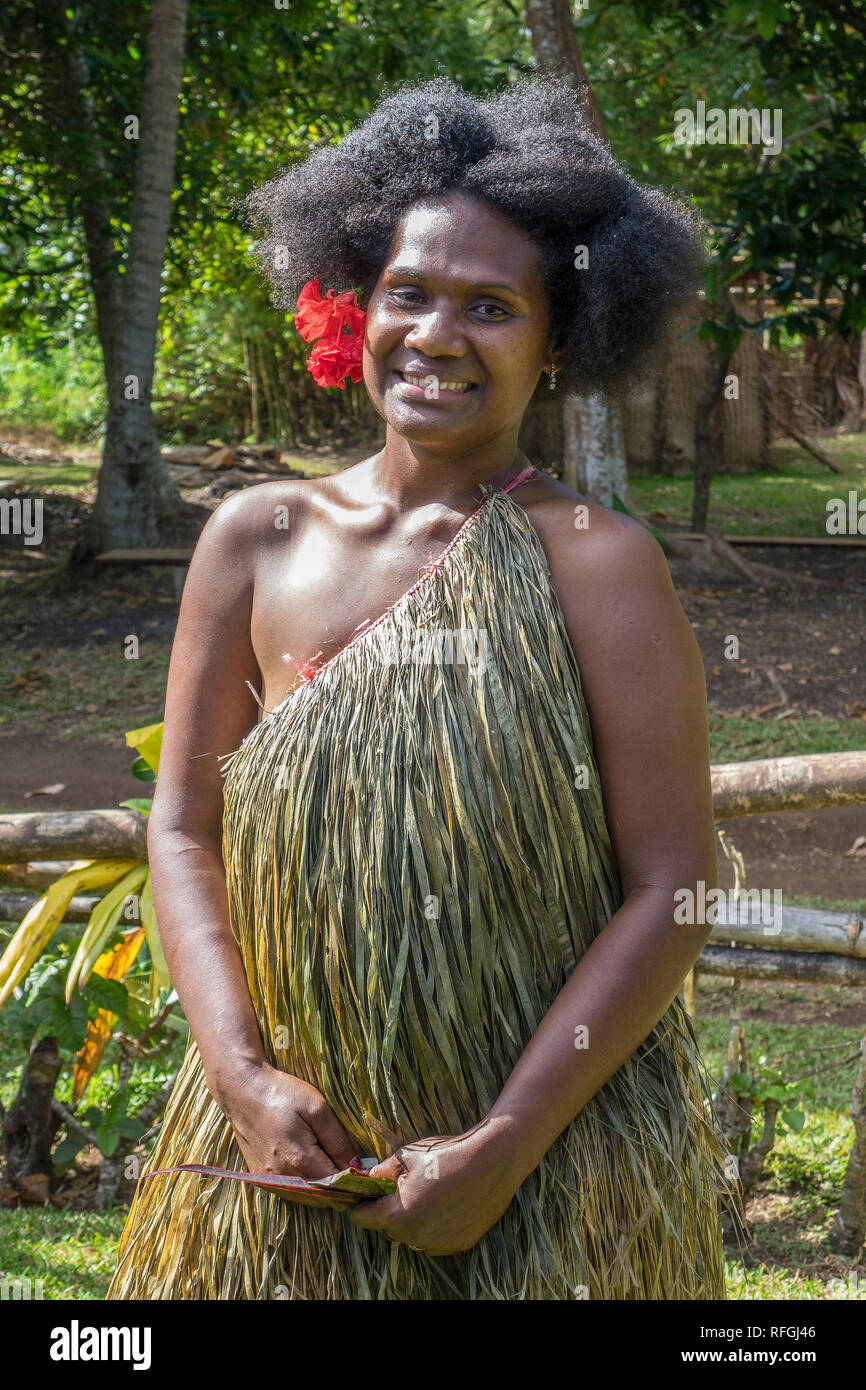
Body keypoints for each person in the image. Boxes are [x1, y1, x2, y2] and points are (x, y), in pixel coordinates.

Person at [108, 76, 732, 1301]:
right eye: (409, 293)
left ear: (558, 339)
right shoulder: (257, 538)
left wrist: (503, 1147)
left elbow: (677, 882)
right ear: (359, 299)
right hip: (282, 1158)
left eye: (490, 307)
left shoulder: (595, 565)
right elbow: (182, 829)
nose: (437, 337)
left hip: (550, 1173)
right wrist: (241, 1079)